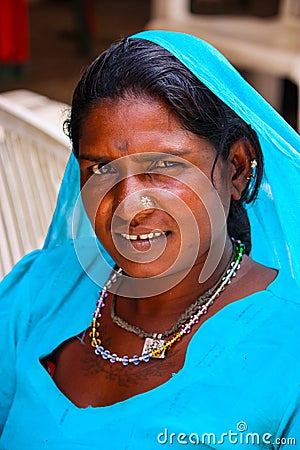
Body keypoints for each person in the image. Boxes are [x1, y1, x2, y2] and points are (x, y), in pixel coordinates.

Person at [0, 30, 300, 449]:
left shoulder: (287, 350)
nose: (128, 205)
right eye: (101, 169)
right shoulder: (37, 291)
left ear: (236, 168)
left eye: (163, 166)